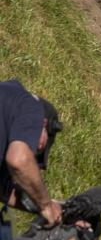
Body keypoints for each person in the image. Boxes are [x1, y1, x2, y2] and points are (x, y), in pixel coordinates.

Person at [1, 80, 62, 227]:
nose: (33, 150)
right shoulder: (31, 107)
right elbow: (19, 160)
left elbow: (3, 190)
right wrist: (46, 206)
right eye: (37, 149)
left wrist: (45, 204)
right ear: (44, 123)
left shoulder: (7, 102)